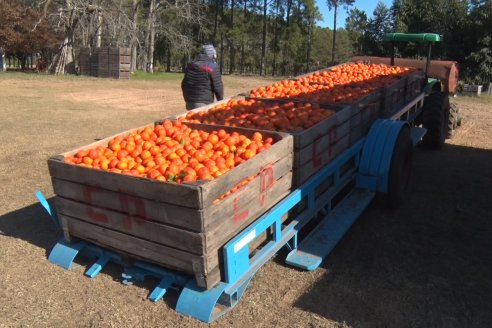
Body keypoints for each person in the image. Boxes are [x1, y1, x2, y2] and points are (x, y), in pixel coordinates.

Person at [181, 44, 224, 110]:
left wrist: (188, 99)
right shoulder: (213, 67)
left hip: (189, 103)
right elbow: (218, 88)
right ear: (212, 55)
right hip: (204, 103)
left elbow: (183, 84)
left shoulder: (190, 65)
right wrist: (221, 102)